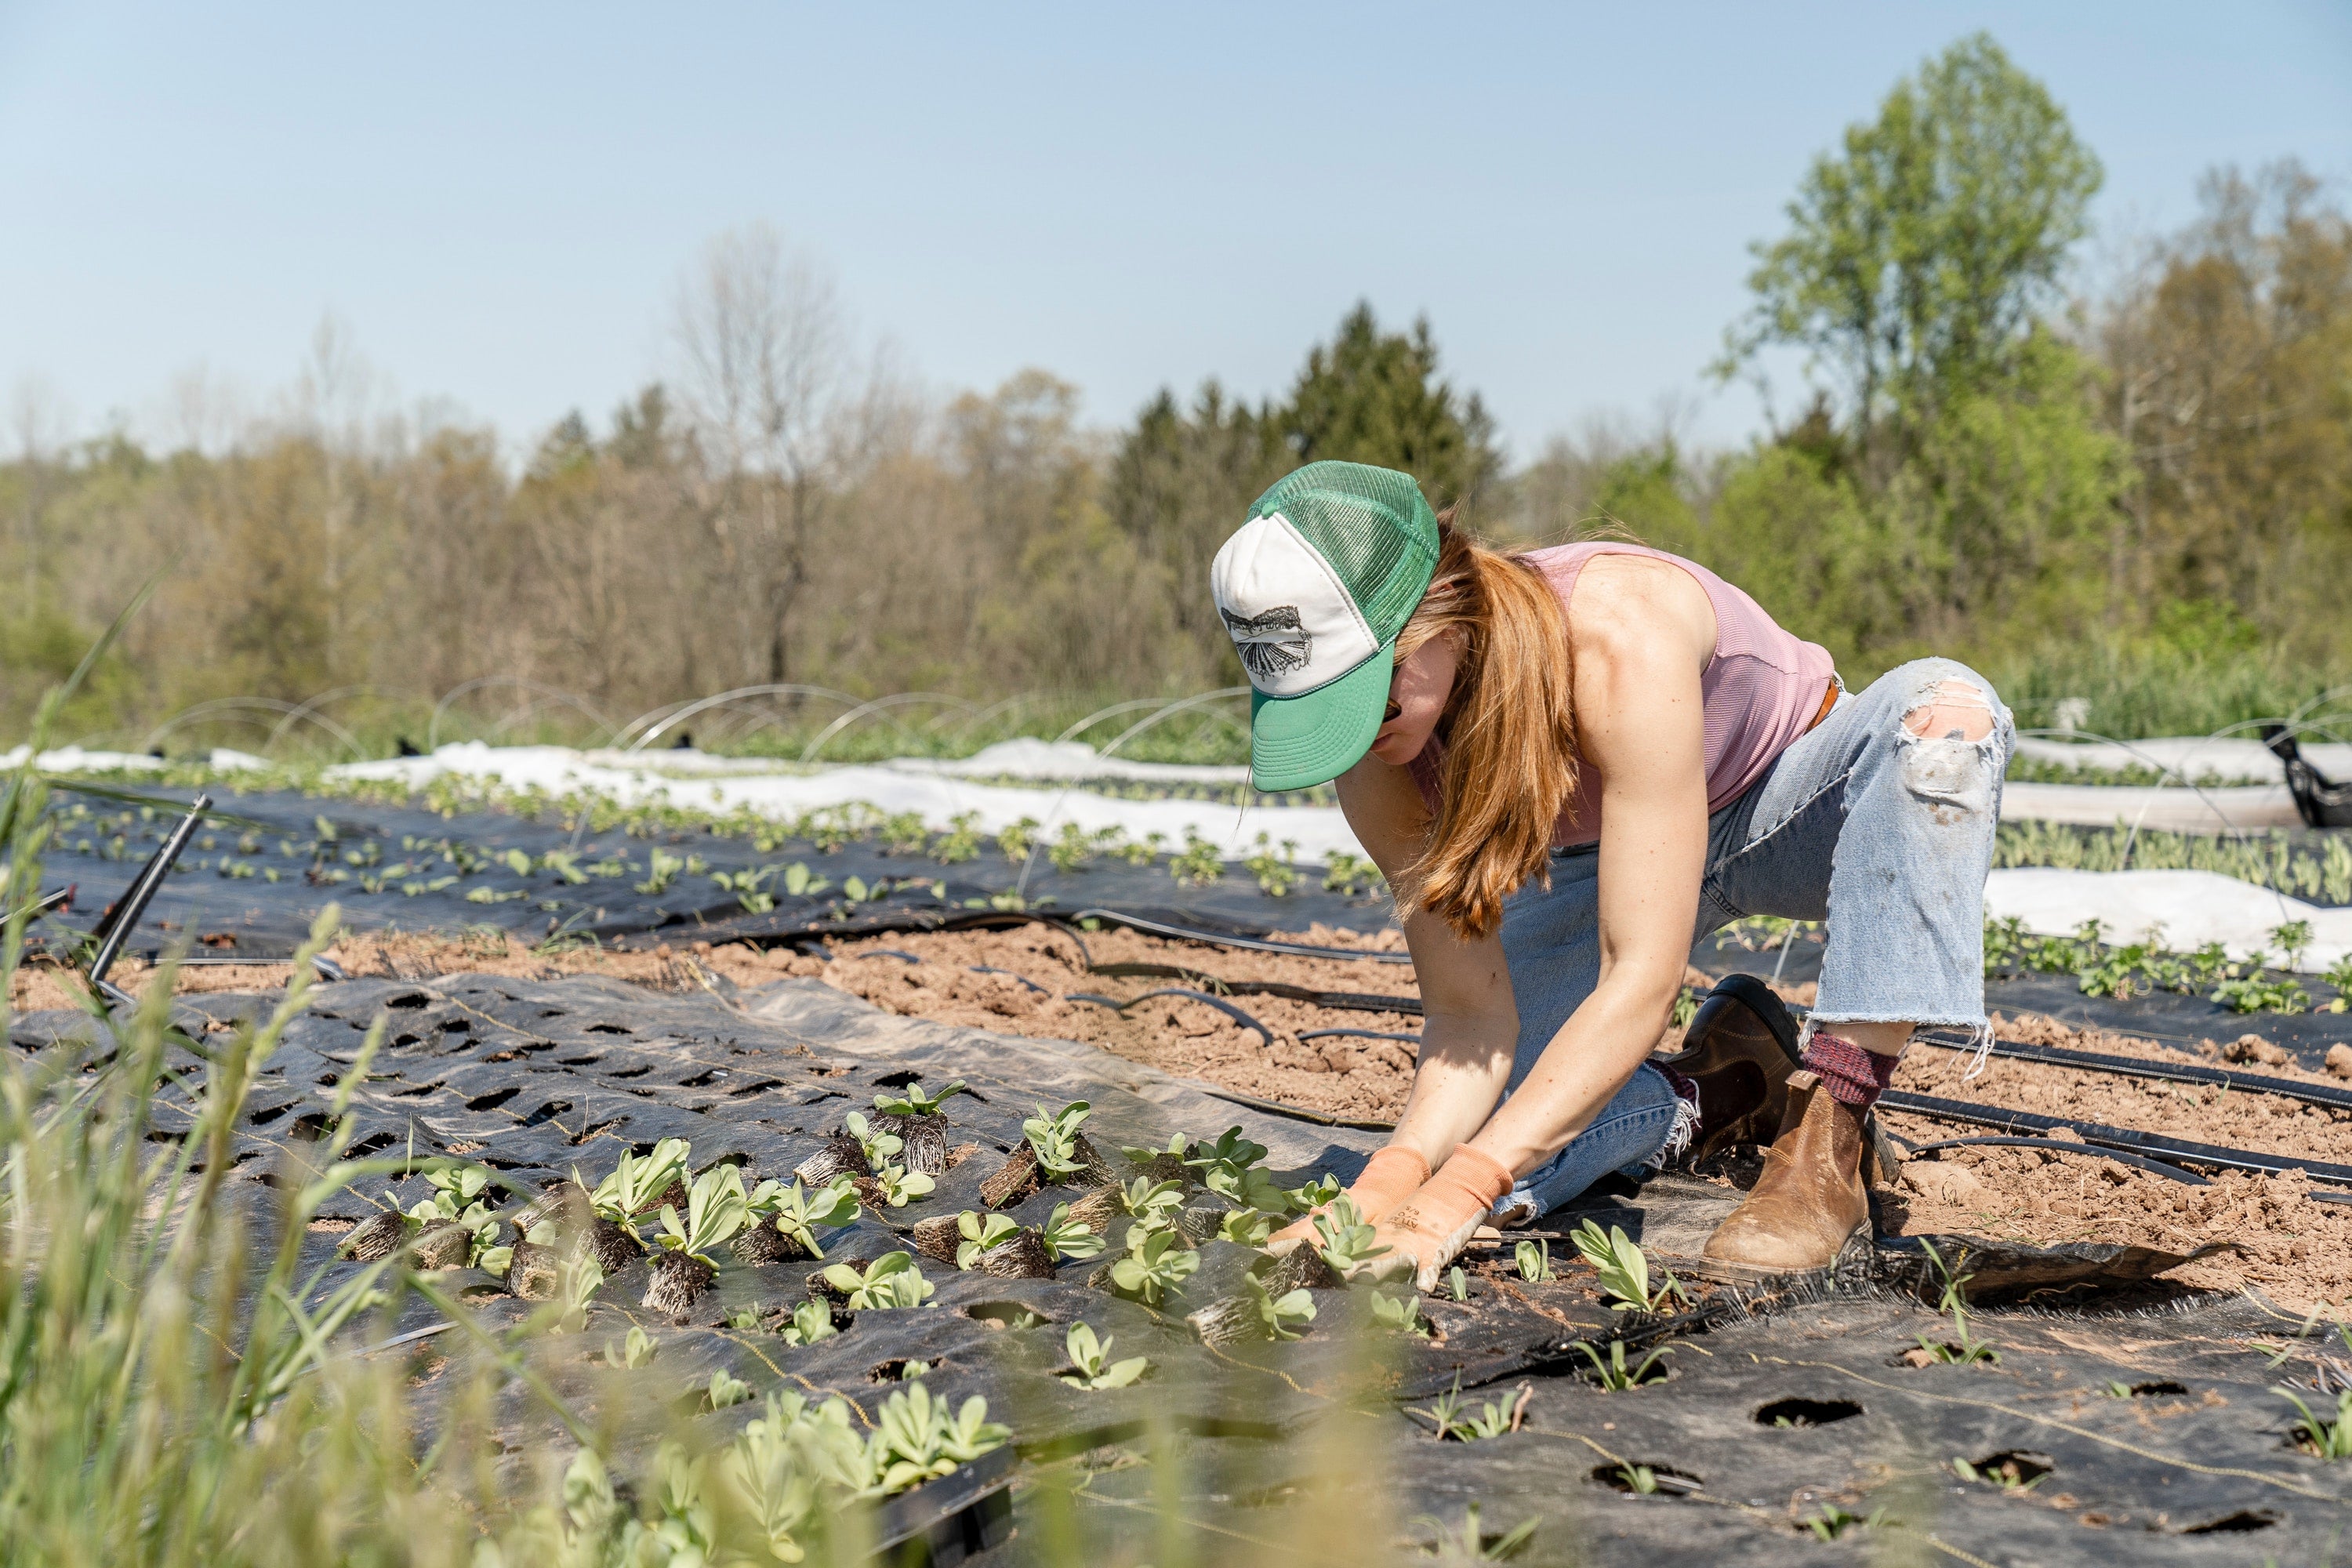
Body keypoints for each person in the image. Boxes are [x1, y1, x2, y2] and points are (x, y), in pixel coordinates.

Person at [1212, 461, 2013, 1287]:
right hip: (1610, 860)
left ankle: (1830, 1134)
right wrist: (1391, 1183)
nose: (1359, 735)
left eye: (1368, 697)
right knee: (1508, 1132)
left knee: (1945, 716)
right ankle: (1720, 1084)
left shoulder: (1612, 633)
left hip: (1789, 807)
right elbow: (1469, 1019)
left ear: (1439, 613)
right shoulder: (1377, 757)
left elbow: (1642, 976)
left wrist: (1461, 1188)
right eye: (1320, 711)